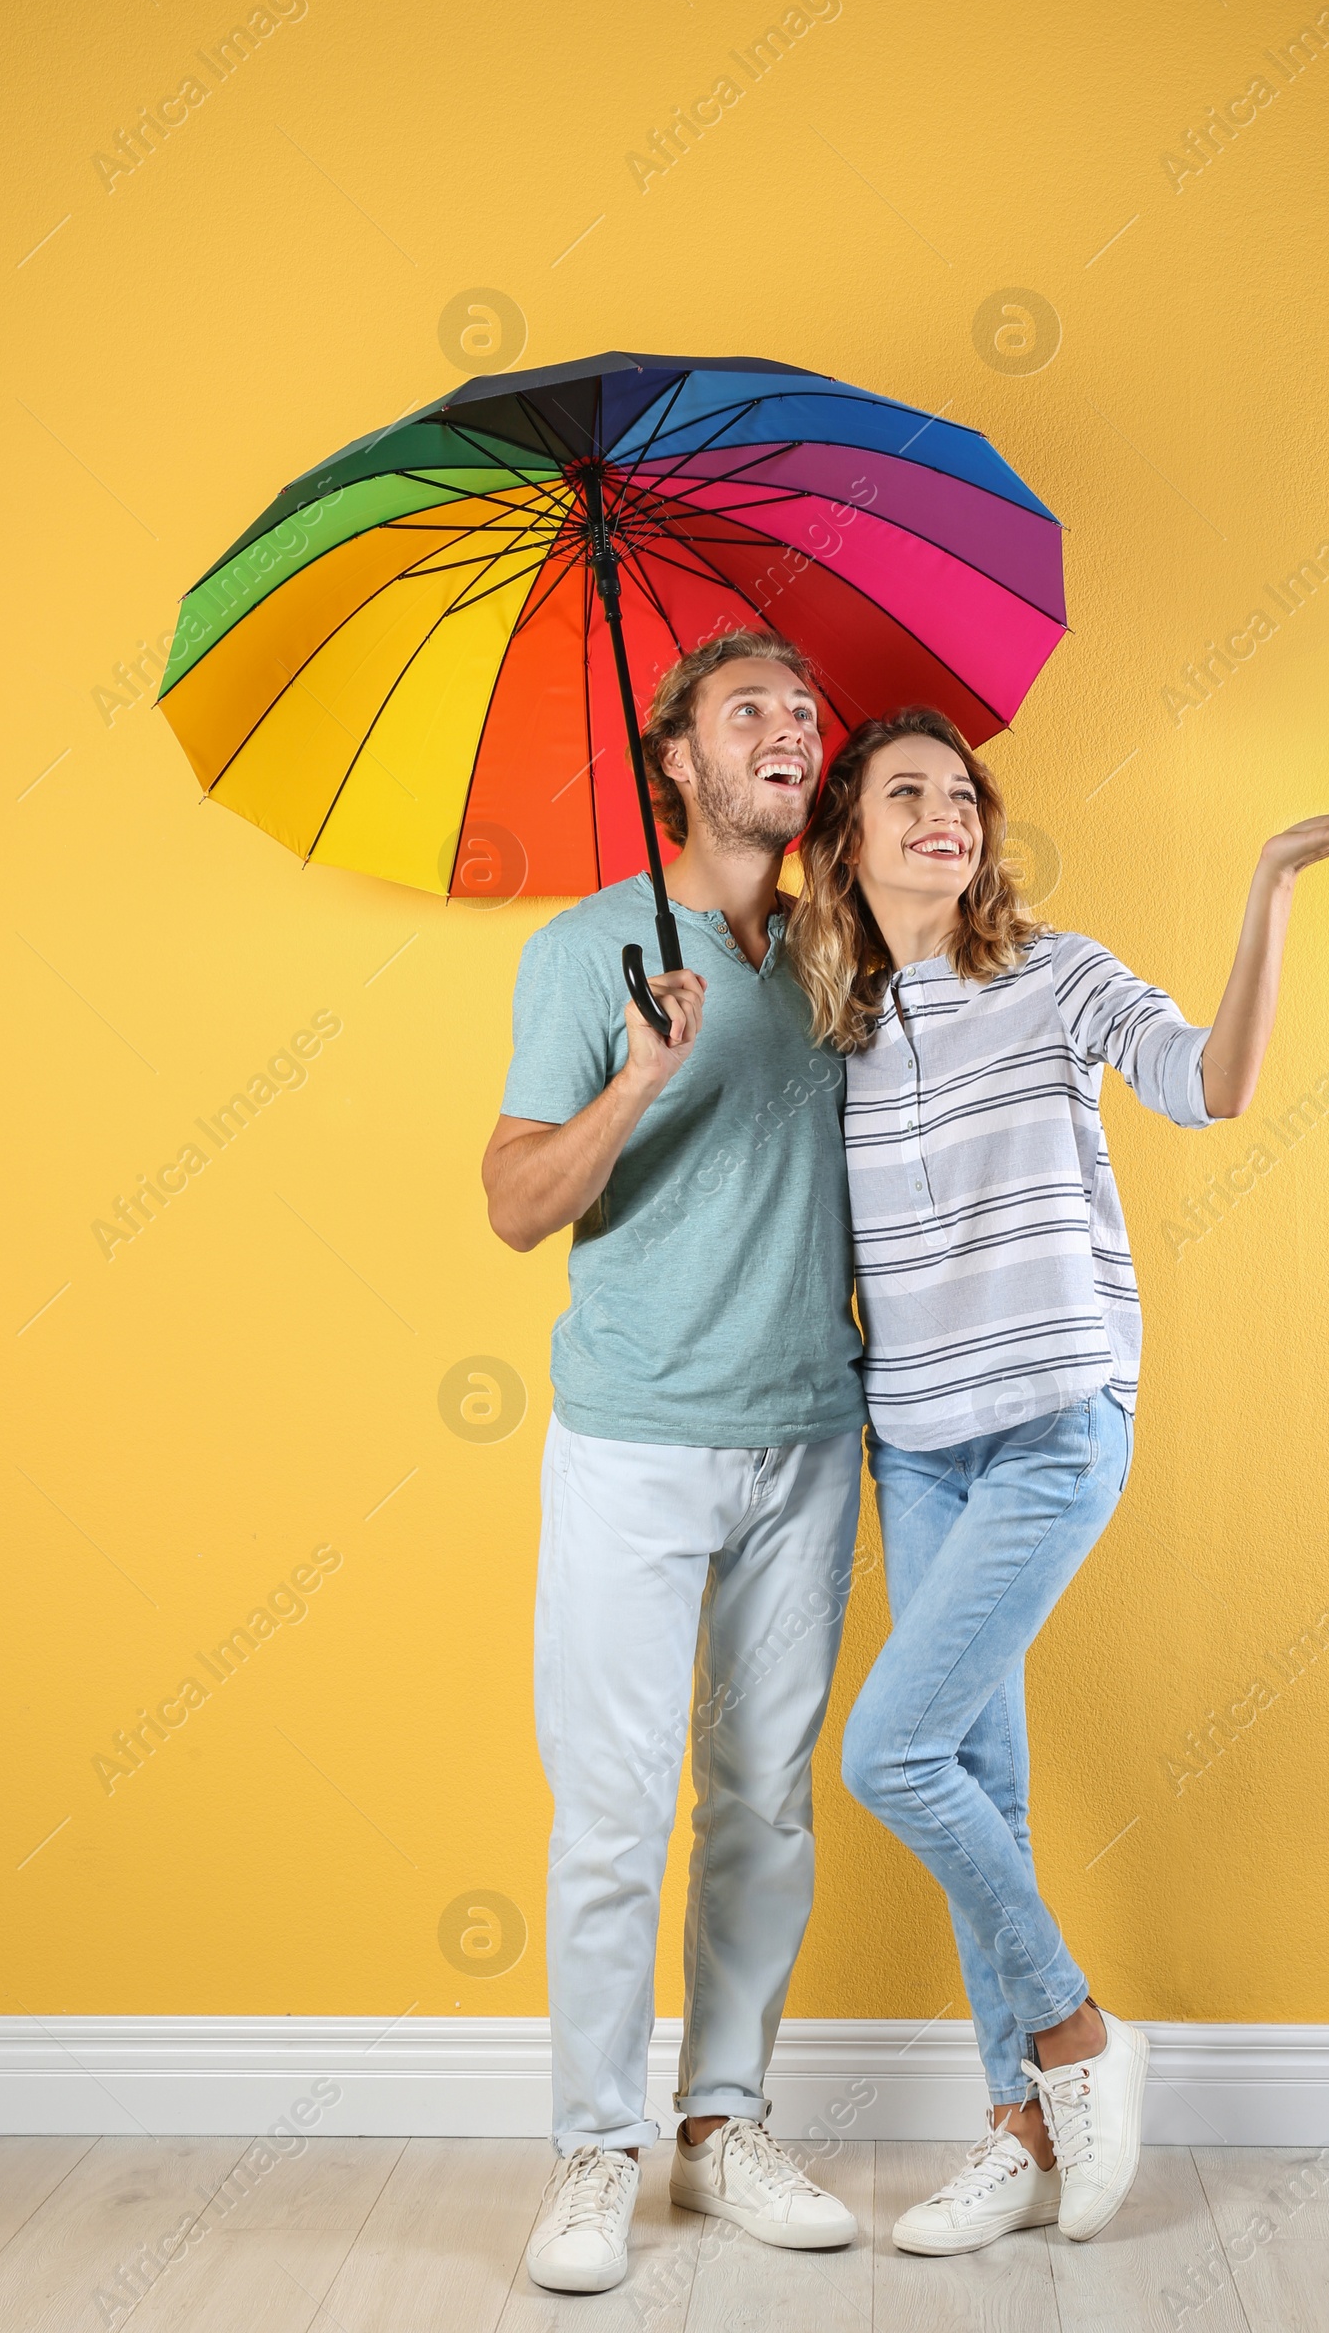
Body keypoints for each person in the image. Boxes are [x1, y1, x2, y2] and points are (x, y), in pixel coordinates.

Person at [786, 706, 1329, 2255]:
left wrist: (1269, 884)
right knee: (976, 1780)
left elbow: (1210, 1087)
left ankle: (1071, 2038)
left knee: (889, 1755)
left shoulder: (1055, 974)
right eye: (908, 796)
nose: (946, 815)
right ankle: (1015, 2129)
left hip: (1058, 1424)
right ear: (846, 843)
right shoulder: (841, 1036)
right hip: (915, 1444)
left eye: (962, 796)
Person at [482, 630, 867, 2295]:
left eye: (803, 709)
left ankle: (723, 2130)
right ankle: (594, 2149)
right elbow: (513, 1206)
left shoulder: (853, 952)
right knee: (615, 1810)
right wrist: (642, 1074)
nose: (790, 727)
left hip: (812, 1433)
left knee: (765, 1805)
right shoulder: (588, 955)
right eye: (749, 708)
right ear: (678, 764)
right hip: (635, 1440)